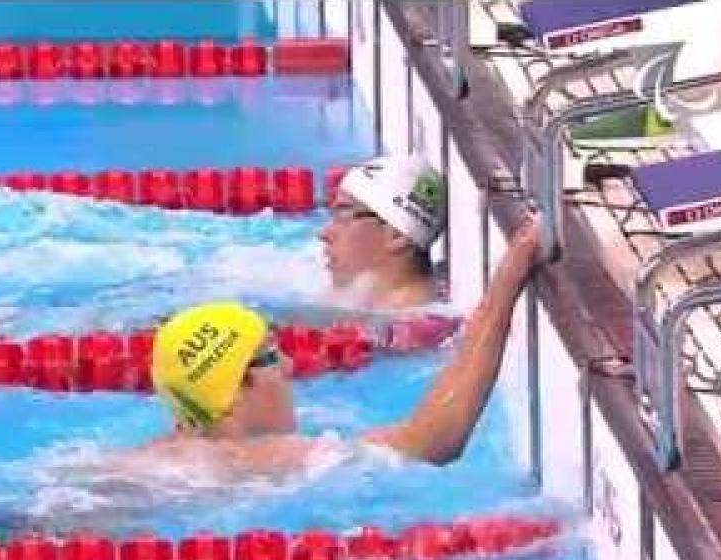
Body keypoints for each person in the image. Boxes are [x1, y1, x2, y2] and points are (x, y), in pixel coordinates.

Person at [97, 215, 544, 481]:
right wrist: (507, 281)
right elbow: (433, 442)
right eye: (270, 357)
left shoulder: (139, 461)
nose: (290, 365)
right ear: (231, 393)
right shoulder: (260, 460)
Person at [320, 154, 447, 312]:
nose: (324, 234)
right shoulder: (368, 306)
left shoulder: (411, 330)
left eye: (343, 216)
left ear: (397, 236)